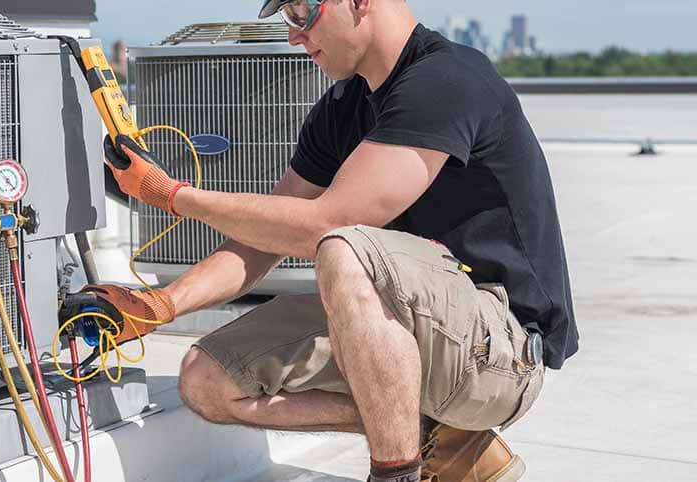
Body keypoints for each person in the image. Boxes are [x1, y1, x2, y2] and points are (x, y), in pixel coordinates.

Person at [80, 1, 578, 480]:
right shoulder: (344, 107)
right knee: (207, 380)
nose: (295, 35)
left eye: (301, 12)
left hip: (503, 351)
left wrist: (172, 195)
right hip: (422, 331)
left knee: (343, 249)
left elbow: (327, 223)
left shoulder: (446, 81)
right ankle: (444, 440)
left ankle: (396, 475)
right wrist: (160, 305)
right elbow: (261, 242)